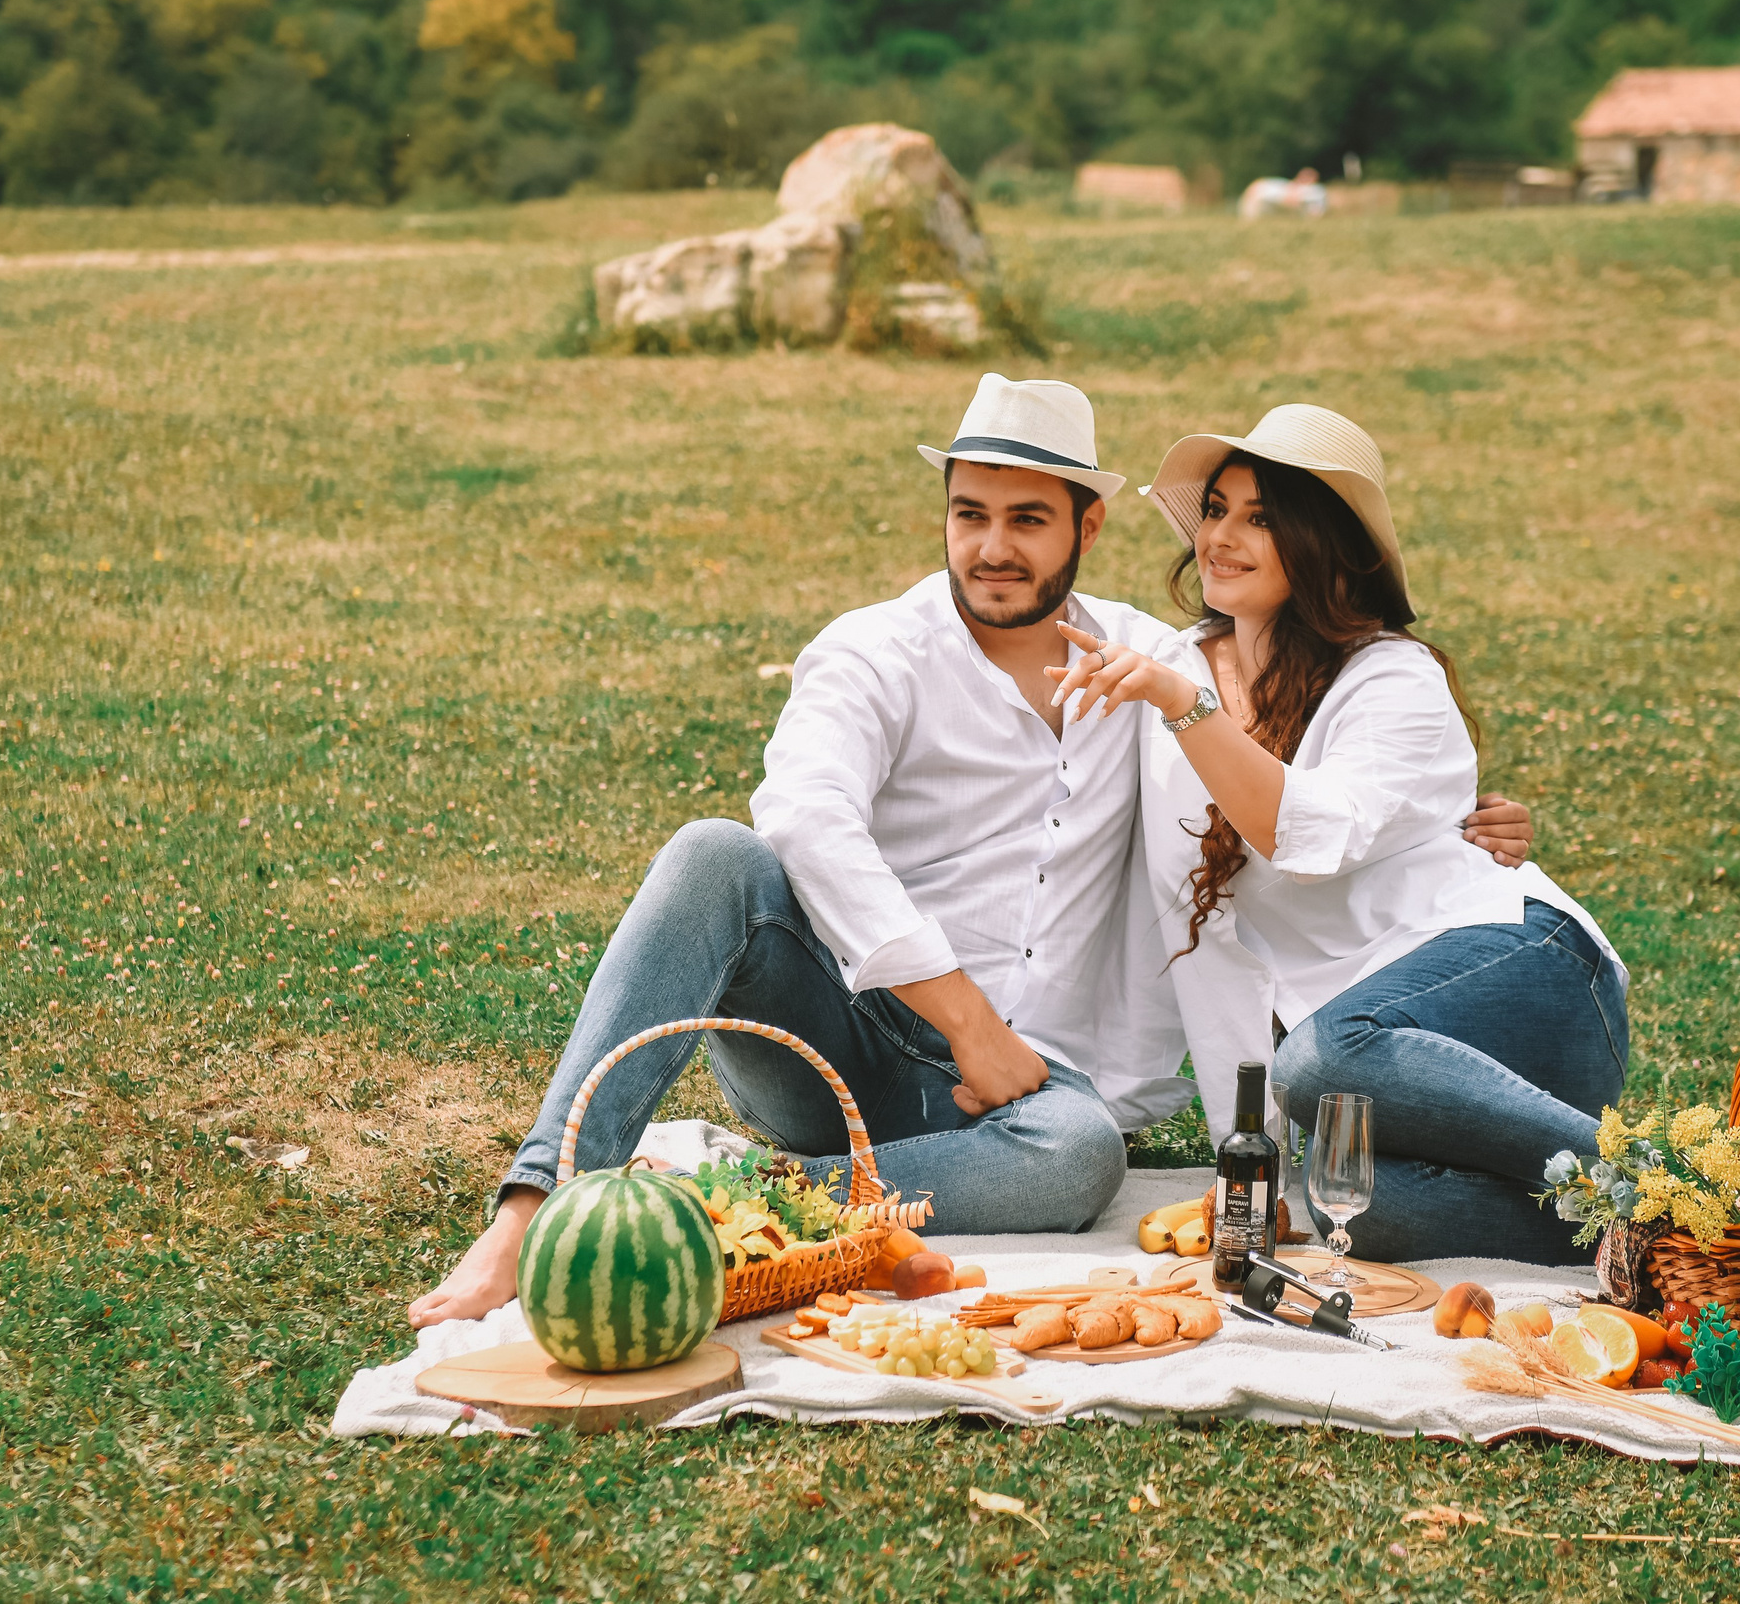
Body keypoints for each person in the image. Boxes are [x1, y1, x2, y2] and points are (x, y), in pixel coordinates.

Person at [408, 378, 1536, 1329]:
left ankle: (719, 1203)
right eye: (968, 514)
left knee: (1078, 1161)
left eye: (1026, 520)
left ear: (1087, 528)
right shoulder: (874, 651)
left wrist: (1456, 824)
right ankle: (533, 1204)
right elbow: (803, 815)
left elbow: (1313, 754)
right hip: (846, 1042)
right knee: (718, 853)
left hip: (1039, 1101)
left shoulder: (1152, 663)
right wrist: (965, 1023)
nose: (992, 548)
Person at [1046, 404, 1625, 1265]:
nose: (1222, 536)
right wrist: (1252, 1146)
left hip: (1526, 981)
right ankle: (1633, 1228)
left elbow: (1299, 832)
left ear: (1321, 543)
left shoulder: (1393, 678)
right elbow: (1218, 952)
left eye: (1262, 518)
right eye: (1215, 509)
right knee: (1345, 1196)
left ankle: (1649, 1177)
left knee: (1324, 1056)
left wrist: (1185, 706)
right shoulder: (1178, 665)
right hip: (1382, 1068)